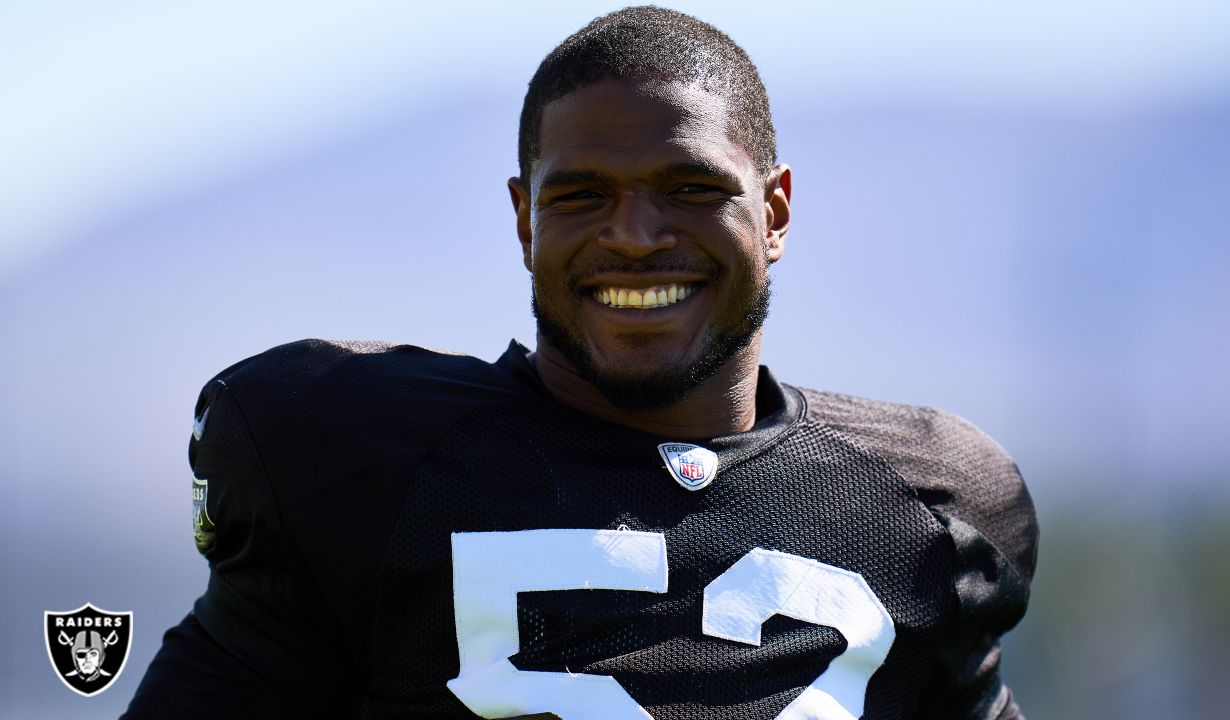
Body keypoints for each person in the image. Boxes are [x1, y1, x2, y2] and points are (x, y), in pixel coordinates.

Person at [126, 6, 1037, 719]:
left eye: (691, 188)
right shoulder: (361, 459)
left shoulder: (928, 506)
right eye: (582, 195)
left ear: (776, 213)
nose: (635, 237)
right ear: (525, 219)